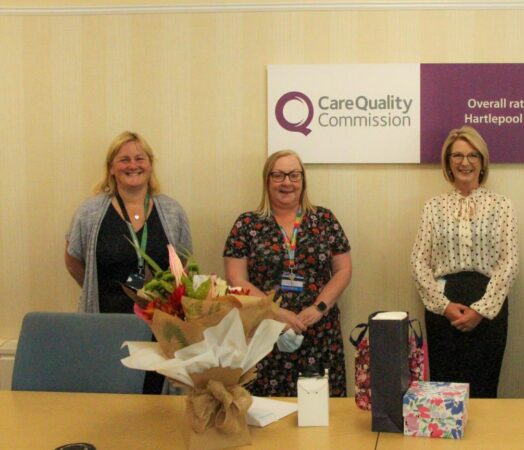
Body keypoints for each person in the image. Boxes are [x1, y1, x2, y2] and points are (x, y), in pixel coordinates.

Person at [65, 131, 192, 393]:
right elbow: (73, 261)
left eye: (139, 158)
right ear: (111, 168)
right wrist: (97, 288)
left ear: (150, 164)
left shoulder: (172, 211)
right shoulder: (90, 212)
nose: (133, 165)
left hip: (158, 330)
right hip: (106, 324)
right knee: (108, 398)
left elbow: (184, 266)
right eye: (124, 160)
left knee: (154, 401)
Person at [223, 149, 352, 397]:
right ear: (267, 180)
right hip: (265, 331)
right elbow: (235, 279)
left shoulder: (324, 219)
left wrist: (318, 308)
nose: (287, 183)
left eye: (294, 175)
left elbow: (343, 269)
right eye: (279, 175)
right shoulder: (247, 224)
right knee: (267, 416)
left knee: (321, 413)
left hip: (318, 331)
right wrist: (275, 312)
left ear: (303, 180)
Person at [411, 125, 519, 398]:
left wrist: (481, 310)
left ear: (482, 162)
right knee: (445, 393)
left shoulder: (502, 205)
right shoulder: (433, 206)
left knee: (484, 388)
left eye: (472, 155)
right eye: (457, 156)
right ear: (448, 163)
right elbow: (418, 262)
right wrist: (444, 306)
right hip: (443, 308)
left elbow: (510, 262)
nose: (465, 162)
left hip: (489, 309)